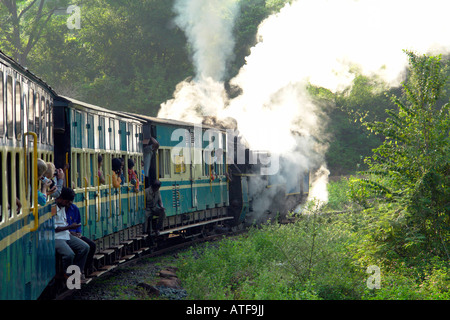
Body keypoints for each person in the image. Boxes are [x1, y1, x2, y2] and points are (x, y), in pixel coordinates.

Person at [54, 187, 90, 282]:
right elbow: (54, 229)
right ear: (61, 199)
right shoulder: (53, 208)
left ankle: (76, 272)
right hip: (56, 237)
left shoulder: (63, 206)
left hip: (66, 234)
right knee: (69, 254)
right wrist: (70, 227)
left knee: (85, 247)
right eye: (67, 202)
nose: (69, 205)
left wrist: (71, 231)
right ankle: (67, 273)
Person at [65, 202, 96, 276]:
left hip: (75, 235)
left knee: (92, 245)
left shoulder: (74, 208)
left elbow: (78, 222)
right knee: (80, 248)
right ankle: (76, 272)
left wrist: (78, 233)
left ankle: (85, 269)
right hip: (67, 235)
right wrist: (70, 232)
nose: (69, 203)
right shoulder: (61, 210)